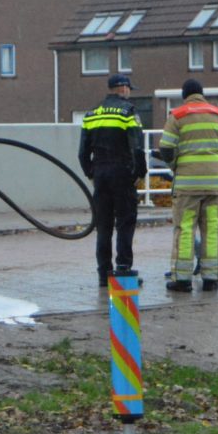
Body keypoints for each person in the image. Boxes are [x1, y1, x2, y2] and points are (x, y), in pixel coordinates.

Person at [159, 78, 218, 292]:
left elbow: (166, 148)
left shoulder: (177, 116)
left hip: (187, 187)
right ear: (202, 94)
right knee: (212, 229)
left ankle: (182, 280)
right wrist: (217, 163)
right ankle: (211, 279)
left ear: (184, 95)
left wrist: (175, 166)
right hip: (215, 186)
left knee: (185, 229)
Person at [78, 73, 147, 288]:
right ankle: (123, 270)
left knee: (104, 226)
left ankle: (104, 274)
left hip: (101, 173)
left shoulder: (92, 114)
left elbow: (82, 153)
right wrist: (139, 173)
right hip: (122, 173)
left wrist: (91, 173)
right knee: (125, 222)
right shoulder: (128, 112)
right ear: (123, 88)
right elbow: (137, 147)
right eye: (129, 89)